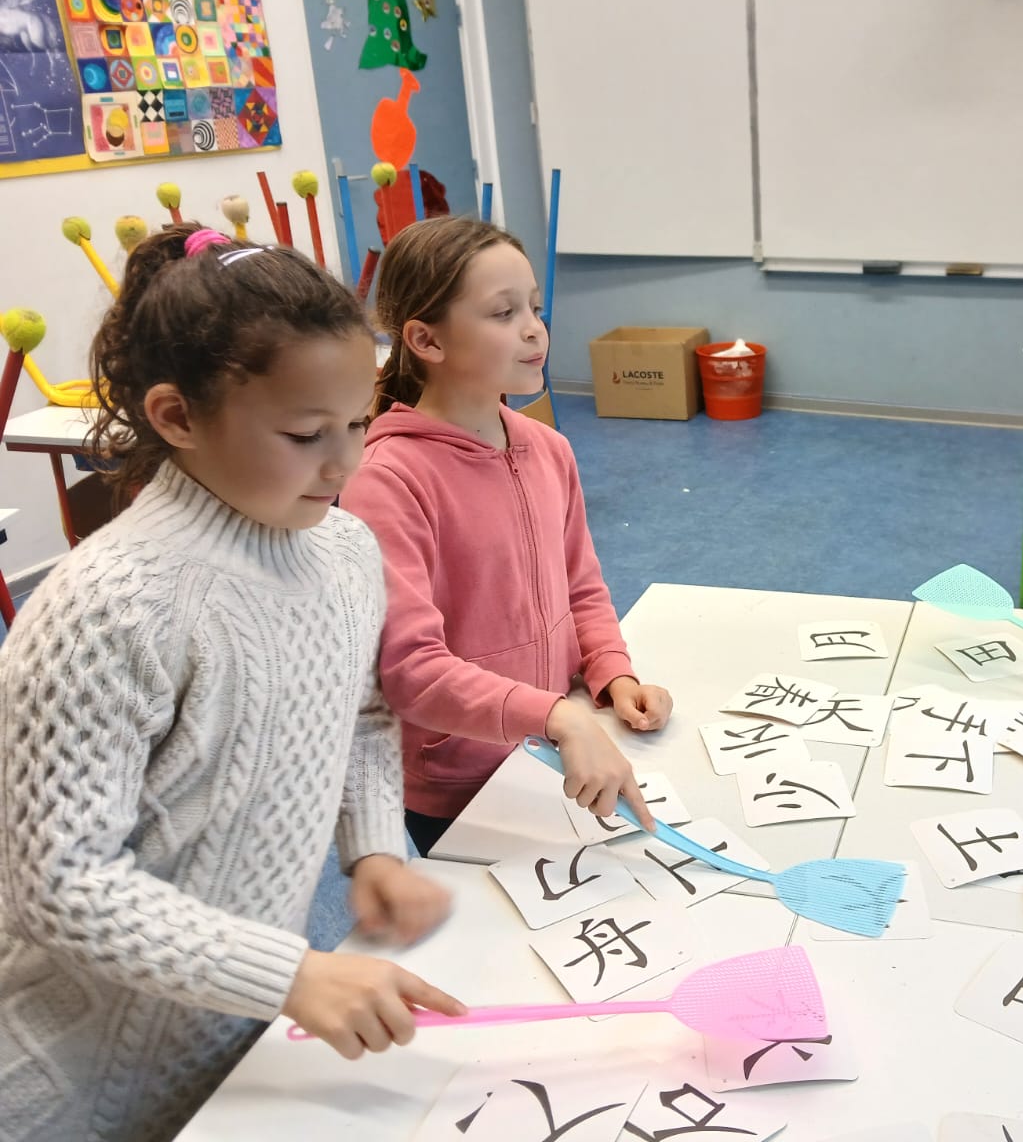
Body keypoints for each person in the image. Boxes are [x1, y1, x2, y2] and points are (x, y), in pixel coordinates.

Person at [0, 225, 464, 1142]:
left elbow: (363, 716)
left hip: (232, 1032)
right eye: (303, 434)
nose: (346, 463)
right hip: (75, 1079)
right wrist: (290, 974)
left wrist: (373, 848)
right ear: (175, 417)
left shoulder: (344, 550)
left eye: (358, 423)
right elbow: (59, 883)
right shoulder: (109, 607)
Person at [341, 217, 672, 856]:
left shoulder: (549, 449)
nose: (533, 329)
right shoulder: (385, 482)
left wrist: (611, 674)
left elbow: (581, 586)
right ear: (425, 340)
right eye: (502, 313)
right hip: (458, 779)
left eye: (535, 308)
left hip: (558, 748)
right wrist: (557, 715)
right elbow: (410, 670)